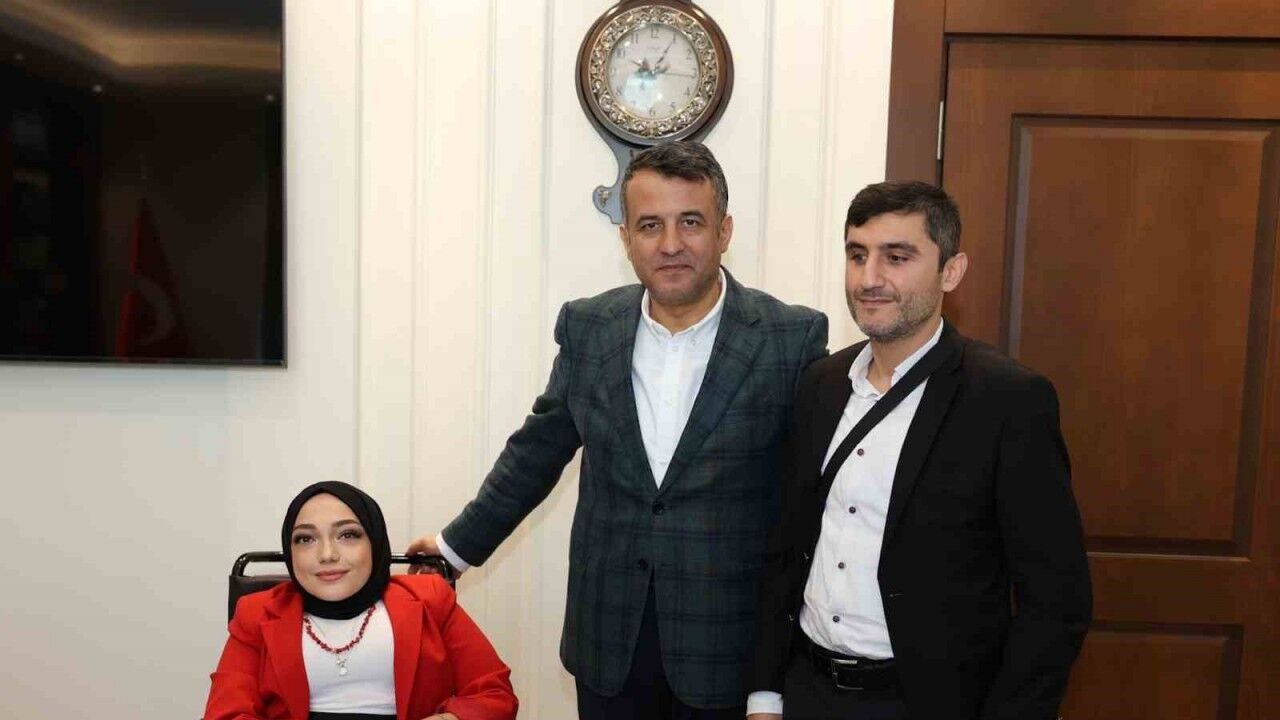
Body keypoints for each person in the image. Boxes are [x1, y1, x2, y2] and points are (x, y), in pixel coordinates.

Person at [406, 141, 828, 719]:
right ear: (626, 237)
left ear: (724, 231)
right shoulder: (590, 327)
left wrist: (780, 675)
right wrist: (455, 549)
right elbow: (537, 451)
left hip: (728, 646)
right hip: (609, 641)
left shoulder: (790, 339)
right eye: (650, 225)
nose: (671, 244)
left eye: (691, 222)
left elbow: (809, 502)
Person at [746, 181, 1092, 720]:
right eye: (857, 255)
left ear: (951, 271)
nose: (869, 279)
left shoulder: (1007, 400)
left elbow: (1056, 600)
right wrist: (765, 694)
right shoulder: (820, 384)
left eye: (897, 257)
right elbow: (786, 550)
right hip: (809, 692)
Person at [205, 481, 518, 720]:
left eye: (348, 535)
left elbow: (494, 695)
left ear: (375, 542)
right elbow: (226, 714)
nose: (327, 554)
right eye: (306, 539)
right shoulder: (256, 613)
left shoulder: (430, 598)